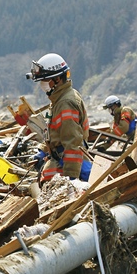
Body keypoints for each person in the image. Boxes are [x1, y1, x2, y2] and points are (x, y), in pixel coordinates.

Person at [26, 53, 92, 183]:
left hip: (67, 163)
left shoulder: (65, 103)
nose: (42, 85)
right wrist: (43, 150)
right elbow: (55, 133)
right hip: (60, 158)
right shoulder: (60, 98)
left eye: (44, 80)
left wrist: (71, 179)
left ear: (56, 79)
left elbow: (73, 142)